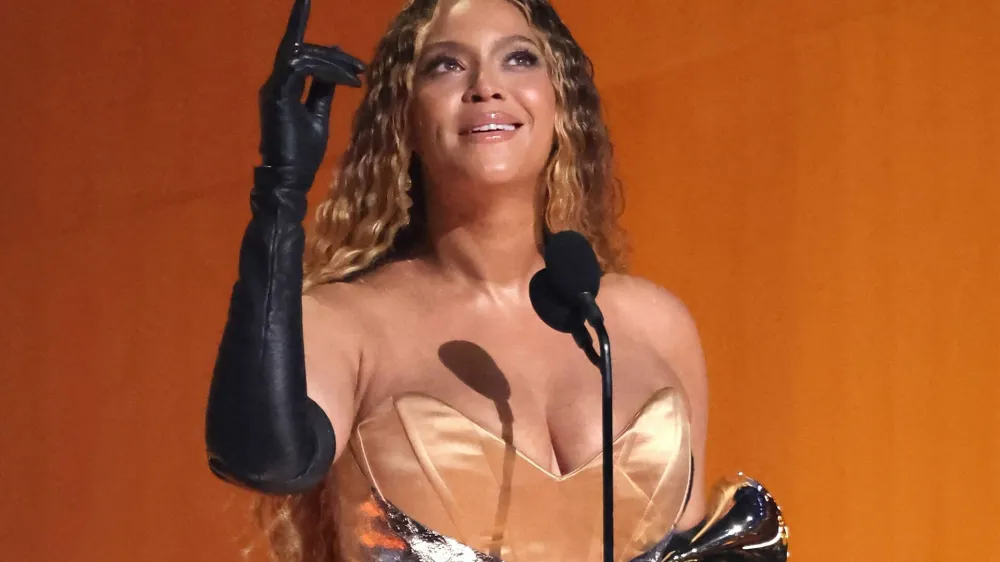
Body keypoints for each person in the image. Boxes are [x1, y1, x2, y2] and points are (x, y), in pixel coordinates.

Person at [205, 0, 789, 560]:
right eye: (447, 65)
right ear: (404, 120)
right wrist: (279, 192)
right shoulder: (347, 324)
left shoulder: (651, 324)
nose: (486, 84)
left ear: (561, 104)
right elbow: (263, 458)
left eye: (518, 58)